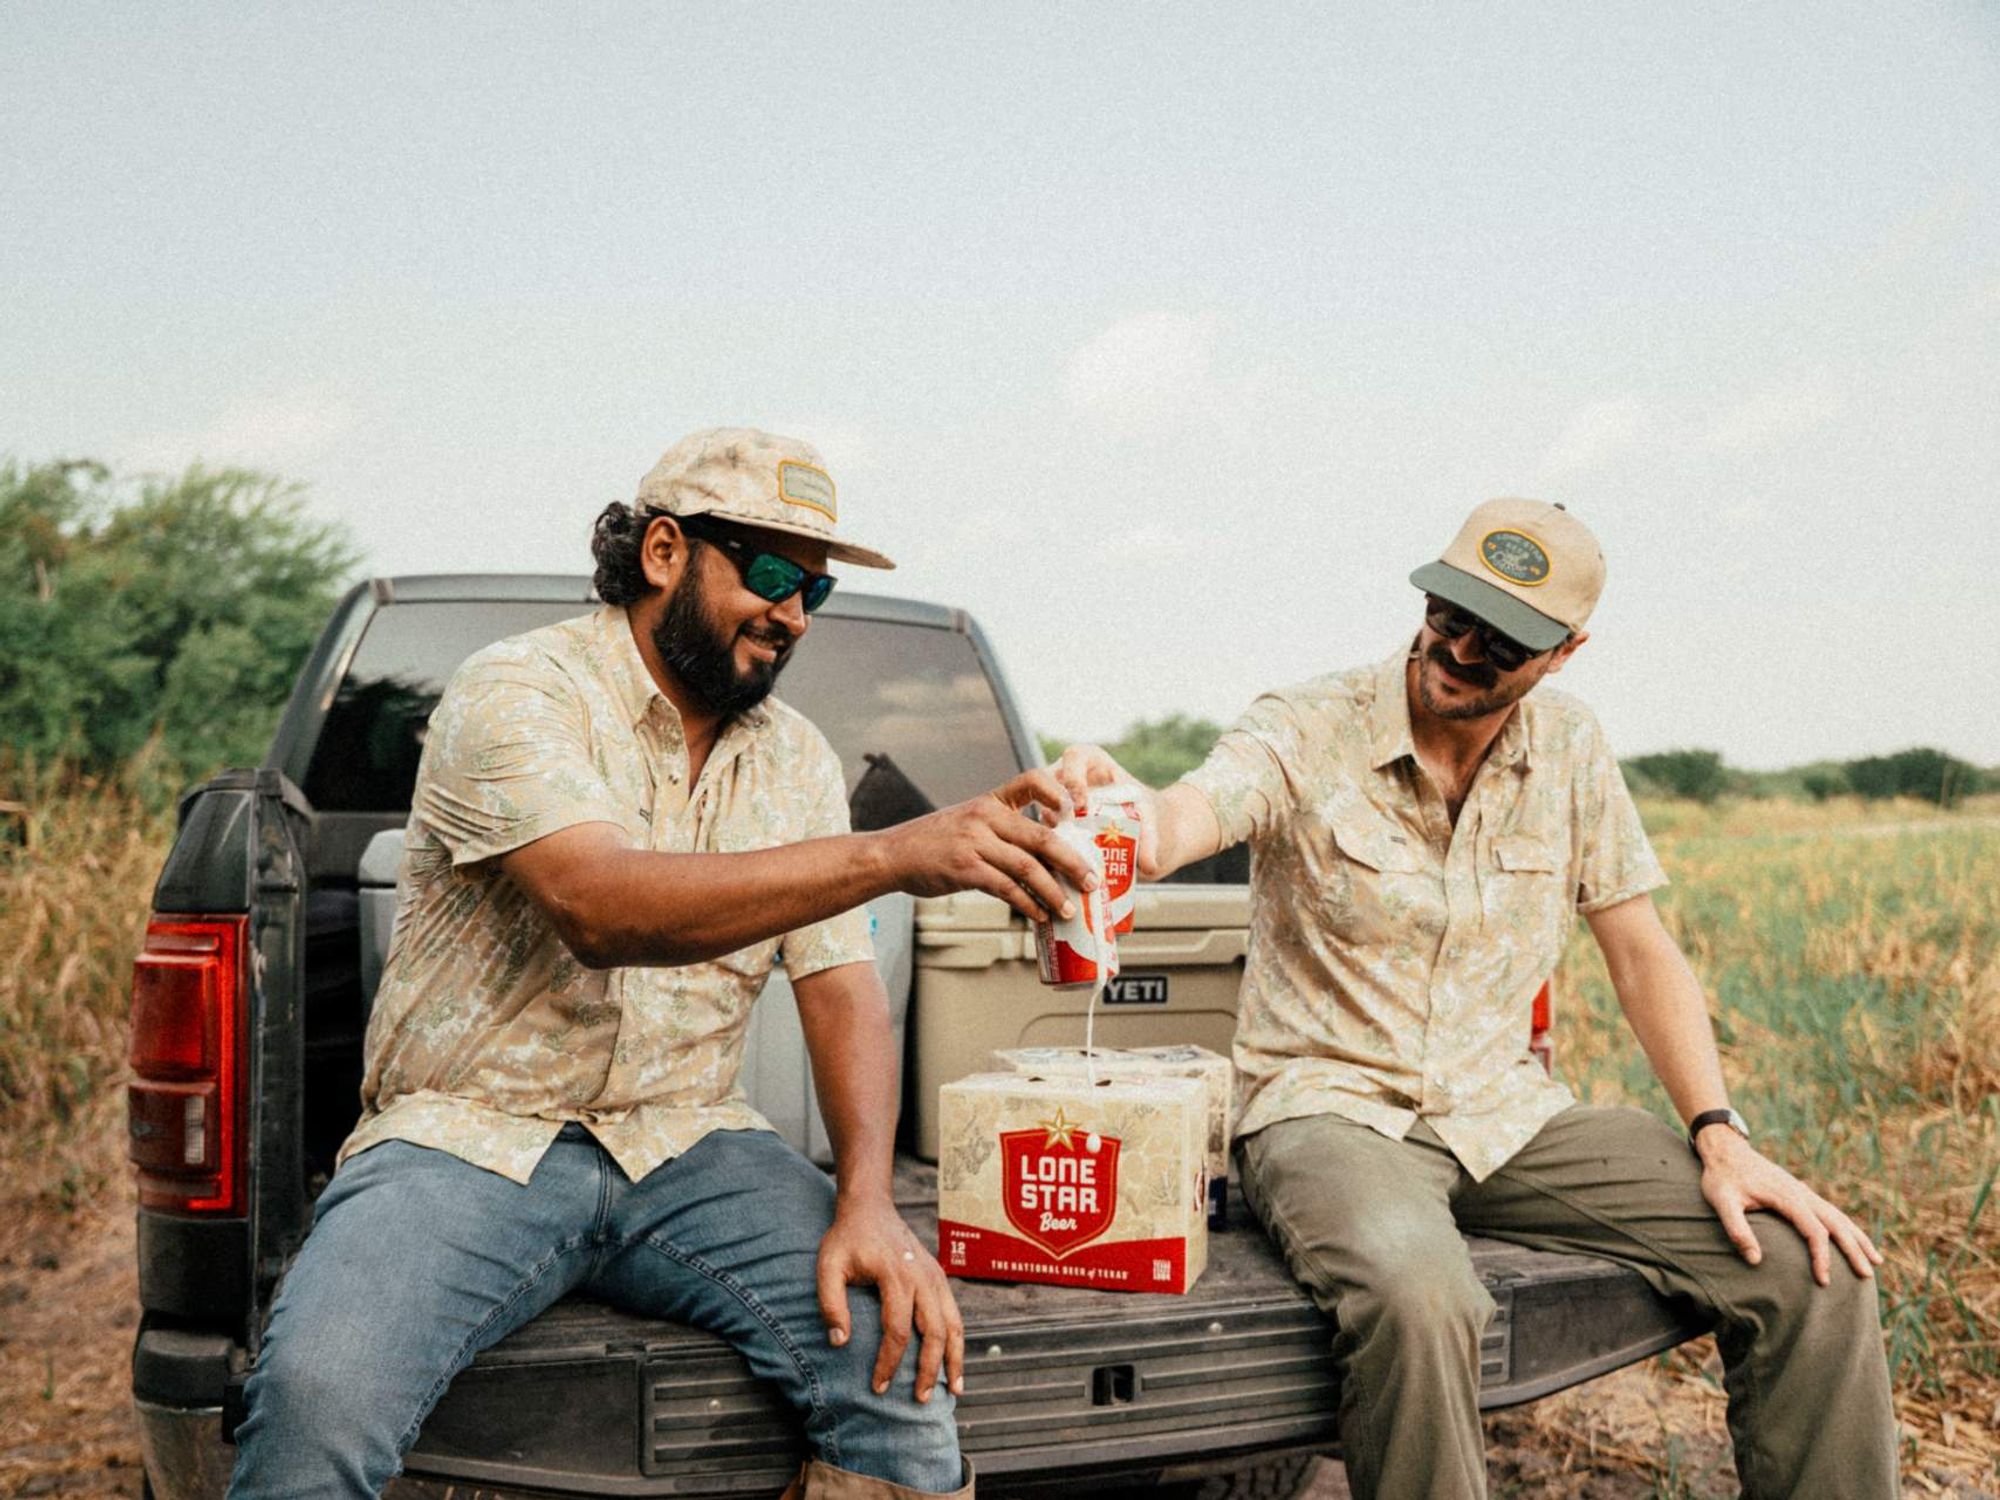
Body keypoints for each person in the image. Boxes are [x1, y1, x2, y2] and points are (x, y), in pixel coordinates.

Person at [230, 427, 1094, 1500]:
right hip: (469, 1138)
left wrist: (869, 1200)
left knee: (899, 1361)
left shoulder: (794, 759)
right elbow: (601, 906)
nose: (791, 613)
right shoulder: (517, 691)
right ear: (665, 553)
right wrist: (887, 854)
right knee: (316, 1395)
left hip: (690, 1143)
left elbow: (840, 988)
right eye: (771, 574)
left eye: (812, 594)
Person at [1055, 498, 1897, 1500]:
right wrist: (1122, 811)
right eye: (1445, 611)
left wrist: (1719, 1132)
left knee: (1813, 1265)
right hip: (1329, 1108)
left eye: (1496, 639)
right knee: (1419, 1296)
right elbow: (1182, 816)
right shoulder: (1306, 723)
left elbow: (1638, 951)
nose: (1454, 647)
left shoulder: (1570, 750)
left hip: (1506, 1115)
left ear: (1562, 653)